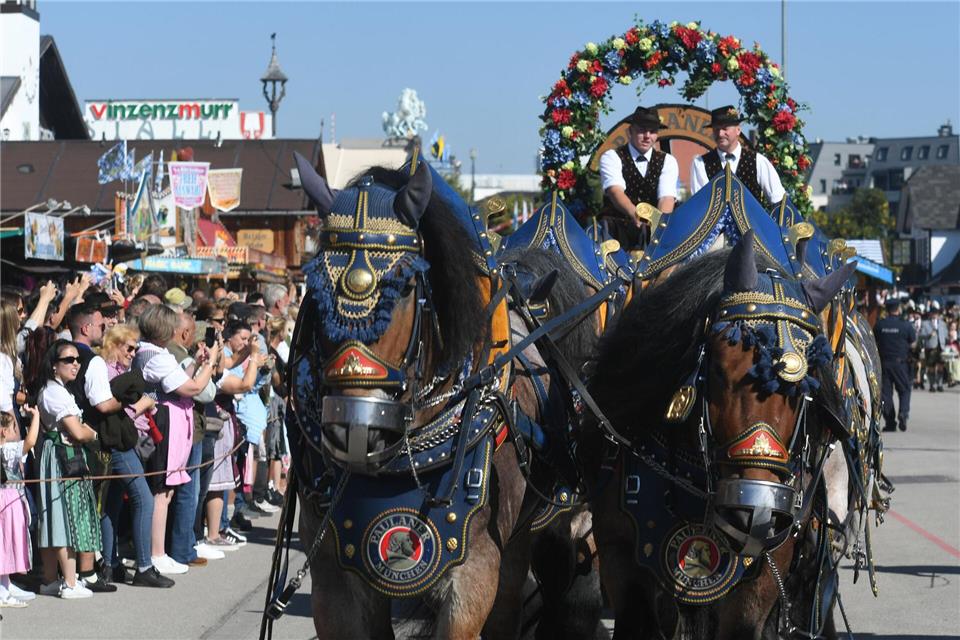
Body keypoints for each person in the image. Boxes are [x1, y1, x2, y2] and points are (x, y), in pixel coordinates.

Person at [132, 306, 219, 576]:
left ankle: (160, 551)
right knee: (162, 490)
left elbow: (181, 378)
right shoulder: (152, 355)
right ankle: (156, 554)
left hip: (172, 423)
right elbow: (191, 388)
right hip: (163, 423)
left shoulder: (156, 353)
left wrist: (197, 362)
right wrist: (211, 362)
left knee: (167, 491)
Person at [99, 324, 173, 588]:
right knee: (143, 499)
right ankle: (143, 566)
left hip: (127, 441)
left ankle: (111, 564)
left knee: (114, 505)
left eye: (135, 348)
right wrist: (141, 405)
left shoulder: (121, 370)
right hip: (117, 445)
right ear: (114, 345)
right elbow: (106, 413)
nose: (133, 353)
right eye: (128, 348)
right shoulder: (105, 370)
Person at [36, 340, 101, 599]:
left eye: (77, 360)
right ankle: (70, 583)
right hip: (61, 458)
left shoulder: (61, 390)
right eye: (68, 360)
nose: (75, 364)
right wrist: (92, 433)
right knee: (62, 516)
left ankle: (52, 580)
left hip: (60, 455)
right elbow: (77, 432)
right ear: (54, 366)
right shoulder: (54, 393)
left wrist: (84, 433)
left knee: (55, 516)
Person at [599, 106, 678, 252]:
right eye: (642, 130)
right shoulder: (611, 157)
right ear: (630, 132)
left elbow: (666, 197)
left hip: (653, 232)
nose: (647, 136)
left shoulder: (668, 161)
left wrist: (658, 226)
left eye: (653, 131)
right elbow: (615, 191)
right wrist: (635, 214)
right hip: (617, 230)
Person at [689, 105, 786, 208]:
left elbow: (779, 200)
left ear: (738, 130)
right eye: (716, 129)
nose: (720, 133)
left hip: (751, 223)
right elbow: (699, 205)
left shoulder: (758, 161)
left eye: (725, 128)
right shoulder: (701, 163)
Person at [0, 407, 40, 606]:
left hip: (5, 498)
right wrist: (36, 417)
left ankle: (4, 586)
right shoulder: (7, 450)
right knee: (7, 543)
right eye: (14, 427)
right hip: (9, 500)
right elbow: (30, 441)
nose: (16, 432)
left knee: (3, 543)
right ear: (4, 432)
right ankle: (3, 591)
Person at [874, 299, 917, 431]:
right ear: (898, 309)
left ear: (887, 310)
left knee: (886, 394)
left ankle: (890, 423)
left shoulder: (880, 325)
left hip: (884, 363)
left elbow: (874, 343)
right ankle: (903, 414)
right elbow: (913, 344)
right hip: (901, 364)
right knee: (904, 390)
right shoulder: (906, 325)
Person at [919, 304, 949, 392]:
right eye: (933, 313)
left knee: (941, 366)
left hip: (941, 347)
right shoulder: (925, 323)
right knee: (931, 367)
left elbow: (945, 334)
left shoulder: (942, 323)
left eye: (936, 313)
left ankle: (939, 385)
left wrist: (946, 341)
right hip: (930, 347)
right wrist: (929, 335)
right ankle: (932, 385)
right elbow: (921, 335)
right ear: (930, 314)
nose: (935, 314)